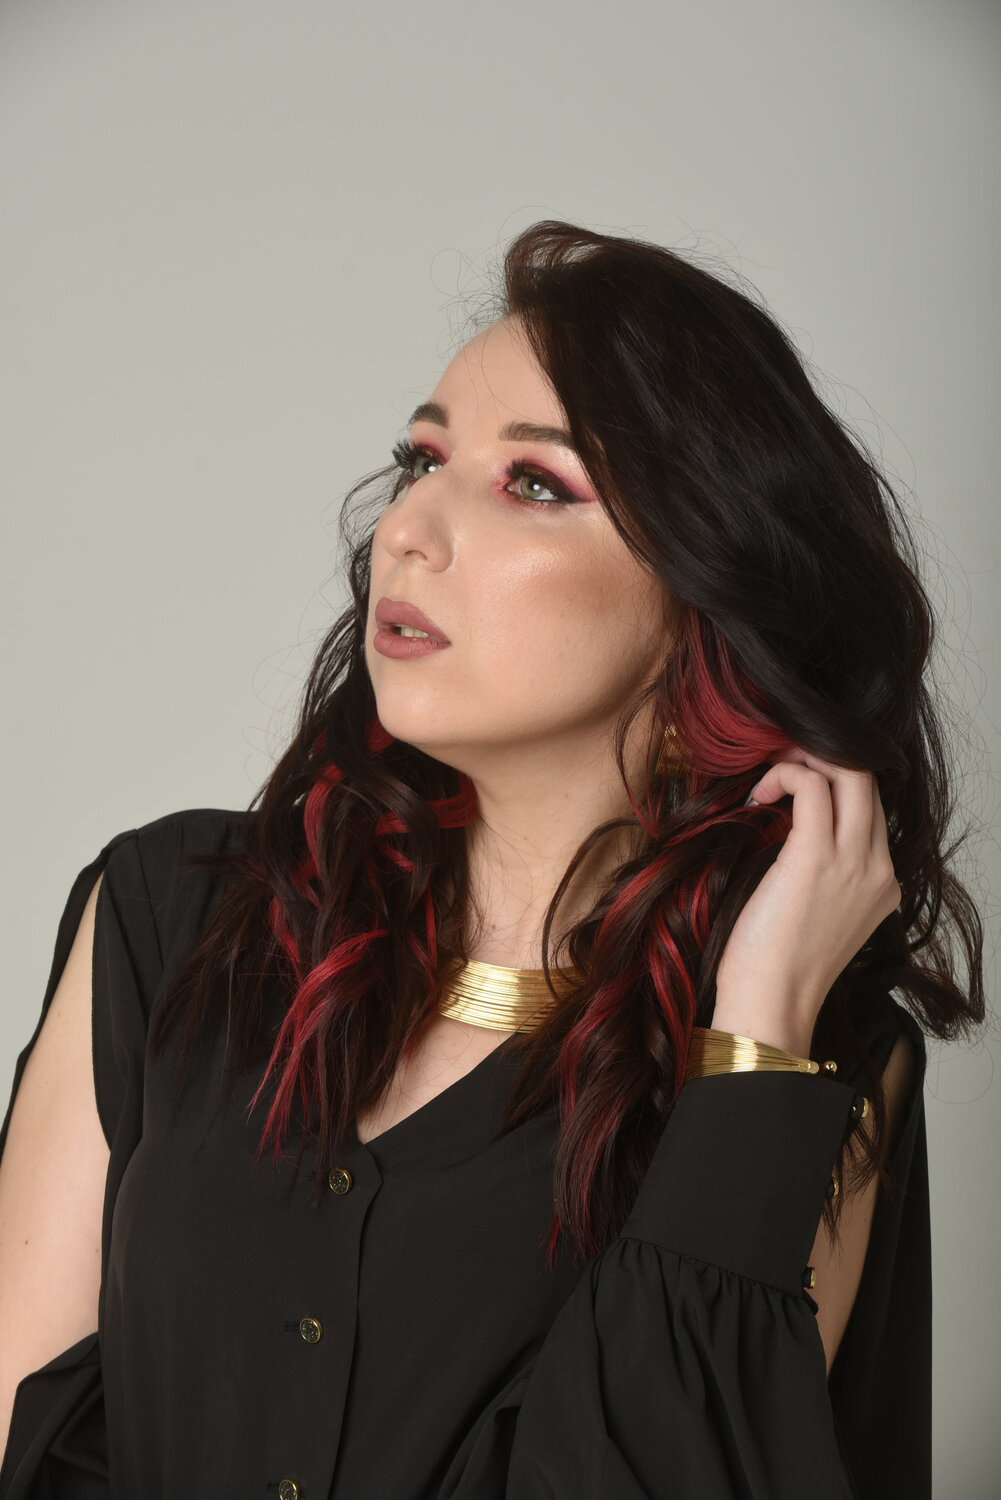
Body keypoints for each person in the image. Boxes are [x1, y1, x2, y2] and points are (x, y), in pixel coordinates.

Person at [0, 220, 985, 1499]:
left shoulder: (806, 1072)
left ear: (701, 600)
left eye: (533, 483)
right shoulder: (166, 921)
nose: (407, 527)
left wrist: (753, 1050)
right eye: (421, 459)